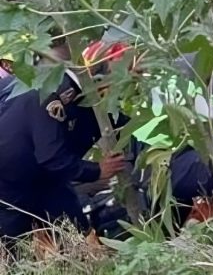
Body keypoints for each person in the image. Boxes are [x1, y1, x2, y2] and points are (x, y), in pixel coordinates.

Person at [0, 59, 127, 251]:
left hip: (45, 180)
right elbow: (52, 157)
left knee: (78, 234)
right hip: (11, 185)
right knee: (14, 249)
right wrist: (96, 171)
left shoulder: (66, 90)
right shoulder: (49, 94)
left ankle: (85, 265)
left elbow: (117, 122)